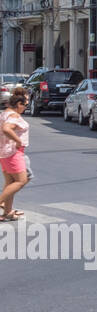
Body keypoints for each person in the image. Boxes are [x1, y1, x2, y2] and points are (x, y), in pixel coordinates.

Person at [1, 88, 32, 220]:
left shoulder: (4, 113)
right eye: (25, 105)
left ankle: (7, 212)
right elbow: (6, 129)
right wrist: (18, 140)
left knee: (11, 182)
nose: (25, 108)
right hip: (13, 152)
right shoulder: (14, 116)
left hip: (4, 152)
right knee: (21, 180)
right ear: (19, 104)